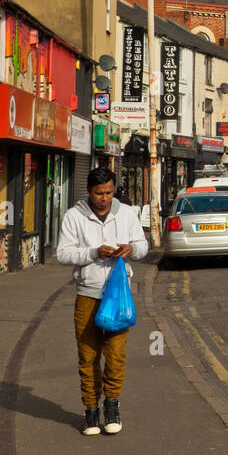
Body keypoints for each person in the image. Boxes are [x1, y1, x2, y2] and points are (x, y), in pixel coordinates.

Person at [56, 167, 147, 436]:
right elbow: (63, 254)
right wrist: (93, 252)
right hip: (87, 294)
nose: (104, 198)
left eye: (108, 192)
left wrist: (131, 249)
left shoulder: (127, 214)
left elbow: (143, 246)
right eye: (99, 193)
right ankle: (90, 409)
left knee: (116, 354)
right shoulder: (74, 216)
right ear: (89, 191)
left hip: (119, 296)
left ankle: (112, 405)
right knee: (88, 355)